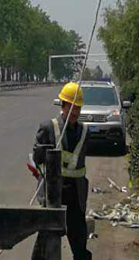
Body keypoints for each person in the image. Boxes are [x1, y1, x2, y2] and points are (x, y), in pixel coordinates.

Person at [31, 81, 92, 260]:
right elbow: (37, 159)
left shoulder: (84, 131)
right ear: (63, 106)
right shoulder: (48, 128)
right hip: (53, 195)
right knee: (46, 240)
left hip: (75, 196)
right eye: (72, 107)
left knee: (79, 243)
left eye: (78, 108)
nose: (75, 112)